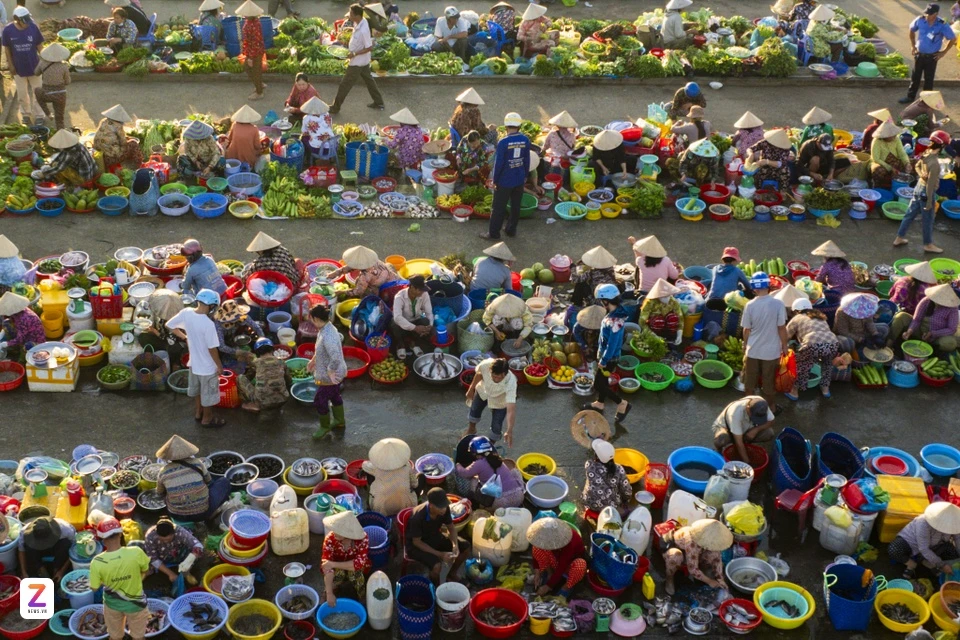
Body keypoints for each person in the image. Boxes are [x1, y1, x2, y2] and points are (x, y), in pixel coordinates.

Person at [166, 289, 224, 428]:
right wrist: (219, 366)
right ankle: (207, 419)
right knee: (208, 395)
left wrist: (185, 337)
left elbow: (169, 325)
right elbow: (212, 349)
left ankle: (198, 413)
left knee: (197, 391)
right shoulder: (208, 324)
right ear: (212, 306)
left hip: (194, 364)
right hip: (207, 368)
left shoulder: (187, 313)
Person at [89, 517, 151, 640]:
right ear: (120, 534)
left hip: (112, 605)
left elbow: (94, 588)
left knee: (115, 636)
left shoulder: (97, 562)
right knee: (139, 637)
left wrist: (105, 579)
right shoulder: (136, 552)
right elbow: (146, 571)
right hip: (136, 604)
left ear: (103, 540)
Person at [896, 129, 950, 253]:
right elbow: (930, 185)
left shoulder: (925, 153)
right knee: (928, 220)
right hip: (926, 192)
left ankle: (899, 237)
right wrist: (930, 201)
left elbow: (916, 166)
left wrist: (921, 175)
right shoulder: (935, 163)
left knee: (909, 215)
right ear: (942, 146)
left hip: (918, 188)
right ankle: (928, 244)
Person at [740, 272, 787, 415]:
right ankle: (771, 408)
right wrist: (784, 346)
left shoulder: (750, 305)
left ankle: (749, 408)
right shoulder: (778, 304)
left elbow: (746, 329)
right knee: (768, 384)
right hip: (771, 352)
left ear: (754, 288)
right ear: (768, 286)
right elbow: (781, 328)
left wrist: (744, 345)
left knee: (750, 383)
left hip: (753, 350)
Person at [584, 284, 632, 423]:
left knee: (598, 385)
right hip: (605, 355)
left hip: (609, 358)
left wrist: (604, 360)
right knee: (603, 381)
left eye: (601, 300)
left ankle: (622, 403)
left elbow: (612, 345)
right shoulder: (614, 314)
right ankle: (599, 403)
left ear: (606, 300)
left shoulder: (616, 321)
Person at [155, 435, 232, 520]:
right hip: (202, 513)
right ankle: (213, 513)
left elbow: (159, 493)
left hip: (176, 515)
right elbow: (209, 481)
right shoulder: (197, 463)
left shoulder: (163, 472)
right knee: (224, 482)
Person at [405, 488, 470, 583]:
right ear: (431, 505)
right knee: (437, 567)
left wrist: (455, 545)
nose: (443, 509)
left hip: (434, 536)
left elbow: (451, 528)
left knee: (466, 547)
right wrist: (440, 554)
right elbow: (417, 542)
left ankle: (452, 574)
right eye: (440, 507)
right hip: (416, 546)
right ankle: (436, 586)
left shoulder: (444, 509)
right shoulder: (418, 516)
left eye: (444, 506)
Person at [483, 112, 530, 240]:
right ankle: (511, 230)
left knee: (498, 208)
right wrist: (525, 175)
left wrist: (495, 180)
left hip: (504, 180)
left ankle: (494, 234)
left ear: (505, 127)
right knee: (515, 206)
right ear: (519, 127)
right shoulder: (525, 140)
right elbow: (527, 160)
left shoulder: (503, 142)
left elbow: (499, 164)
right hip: (519, 179)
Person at [330, 4, 384, 114]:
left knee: (345, 84)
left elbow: (369, 47)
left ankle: (336, 107)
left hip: (358, 62)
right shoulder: (359, 22)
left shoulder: (364, 29)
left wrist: (354, 53)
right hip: (363, 61)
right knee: (369, 81)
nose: (349, 15)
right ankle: (379, 102)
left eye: (351, 14)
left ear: (357, 16)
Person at [900, 4, 956, 105]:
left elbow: (952, 38)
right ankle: (910, 97)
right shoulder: (920, 20)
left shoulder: (942, 25)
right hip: (919, 54)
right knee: (915, 77)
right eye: (926, 13)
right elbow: (911, 30)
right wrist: (913, 45)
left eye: (930, 14)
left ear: (936, 13)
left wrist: (943, 52)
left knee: (929, 79)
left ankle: (926, 101)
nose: (927, 15)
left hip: (932, 57)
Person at [785, 298, 840, 399]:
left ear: (797, 310)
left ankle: (794, 392)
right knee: (827, 365)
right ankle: (825, 390)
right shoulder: (820, 317)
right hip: (833, 342)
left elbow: (786, 336)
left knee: (802, 366)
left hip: (812, 343)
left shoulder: (797, 318)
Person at [888, 502, 960, 578]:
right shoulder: (923, 522)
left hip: (934, 546)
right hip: (911, 543)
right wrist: (942, 564)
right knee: (894, 549)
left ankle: (926, 561)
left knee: (952, 552)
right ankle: (912, 564)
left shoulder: (956, 524)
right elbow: (923, 548)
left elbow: (958, 539)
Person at [307, 303, 347, 438]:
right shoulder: (326, 328)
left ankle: (325, 426)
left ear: (317, 319)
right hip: (335, 372)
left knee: (320, 400)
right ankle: (339, 420)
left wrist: (330, 371)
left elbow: (335, 357)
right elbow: (320, 350)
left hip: (331, 376)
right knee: (335, 395)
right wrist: (313, 360)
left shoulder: (328, 336)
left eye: (312, 319)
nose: (311, 322)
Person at [663, 519, 732, 595]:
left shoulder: (714, 541)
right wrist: (709, 581)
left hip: (696, 553)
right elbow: (692, 569)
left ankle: (702, 573)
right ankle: (669, 578)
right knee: (675, 556)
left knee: (714, 554)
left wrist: (720, 579)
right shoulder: (692, 541)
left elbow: (717, 559)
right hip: (681, 550)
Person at [456, 435, 524, 508]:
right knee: (512, 472)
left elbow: (465, 473)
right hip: (519, 496)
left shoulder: (479, 463)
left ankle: (480, 504)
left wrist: (458, 465)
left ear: (475, 453)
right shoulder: (498, 459)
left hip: (502, 503)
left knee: (473, 481)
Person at [527, 517, 587, 598]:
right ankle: (549, 573)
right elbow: (537, 551)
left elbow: (562, 567)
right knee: (536, 548)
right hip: (556, 560)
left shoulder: (568, 542)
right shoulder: (545, 540)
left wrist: (548, 586)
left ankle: (566, 587)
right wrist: (537, 572)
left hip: (569, 565)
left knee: (581, 565)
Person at [890, 283, 960, 353]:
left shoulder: (952, 309)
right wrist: (909, 331)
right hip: (920, 330)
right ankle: (889, 342)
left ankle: (935, 352)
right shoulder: (926, 301)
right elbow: (917, 319)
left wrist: (932, 333)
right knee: (901, 316)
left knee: (950, 343)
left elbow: (952, 329)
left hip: (937, 336)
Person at [3, 7, 44, 124]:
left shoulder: (33, 27)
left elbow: (40, 46)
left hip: (35, 67)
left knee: (38, 92)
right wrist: (10, 65)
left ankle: (40, 115)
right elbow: (7, 50)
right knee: (22, 93)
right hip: (18, 68)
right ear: (16, 19)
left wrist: (45, 61)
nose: (27, 24)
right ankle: (26, 114)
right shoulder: (8, 31)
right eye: (24, 21)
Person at [320, 511, 370, 607]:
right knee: (337, 574)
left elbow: (358, 564)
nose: (334, 532)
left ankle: (361, 594)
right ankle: (332, 589)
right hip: (338, 569)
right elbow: (327, 567)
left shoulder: (363, 539)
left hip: (354, 569)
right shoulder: (330, 539)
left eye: (338, 532)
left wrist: (333, 564)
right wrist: (329, 593)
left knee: (355, 574)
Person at [465, 357, 518, 446]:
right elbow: (479, 374)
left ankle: (490, 444)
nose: (496, 379)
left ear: (505, 374)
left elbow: (511, 410)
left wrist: (509, 430)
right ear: (490, 370)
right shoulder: (485, 365)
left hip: (500, 401)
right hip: (483, 391)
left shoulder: (511, 382)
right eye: (494, 376)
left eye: (499, 377)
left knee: (497, 425)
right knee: (474, 410)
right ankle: (471, 429)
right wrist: (471, 389)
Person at [362, 438, 417, 516]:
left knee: (369, 474)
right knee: (420, 477)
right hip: (405, 505)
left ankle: (370, 497)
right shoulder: (407, 466)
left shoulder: (376, 468)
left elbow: (364, 465)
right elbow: (415, 484)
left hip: (381, 508)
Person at [712, 396, 775, 462]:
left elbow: (772, 421)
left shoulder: (762, 404)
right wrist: (747, 463)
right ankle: (719, 452)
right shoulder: (735, 413)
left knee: (769, 433)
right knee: (721, 440)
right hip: (727, 429)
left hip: (746, 427)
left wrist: (756, 430)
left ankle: (746, 443)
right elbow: (739, 443)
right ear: (747, 408)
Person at [143, 517, 202, 584]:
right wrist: (170, 574)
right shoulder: (150, 538)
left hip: (178, 552)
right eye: (162, 540)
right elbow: (154, 559)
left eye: (168, 540)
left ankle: (186, 573)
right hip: (162, 556)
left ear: (173, 533)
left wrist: (189, 560)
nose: (166, 542)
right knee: (148, 563)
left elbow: (198, 546)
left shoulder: (180, 532)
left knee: (195, 555)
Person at [238, 337, 290, 411]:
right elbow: (289, 380)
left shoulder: (256, 362)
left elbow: (249, 377)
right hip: (283, 400)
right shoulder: (281, 362)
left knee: (240, 378)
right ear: (272, 350)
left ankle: (255, 405)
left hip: (263, 402)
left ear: (258, 352)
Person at [582, 439, 632, 514]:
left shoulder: (589, 465)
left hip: (590, 502)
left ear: (596, 456)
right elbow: (627, 491)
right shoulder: (619, 469)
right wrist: (626, 500)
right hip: (610, 507)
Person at [213, 298, 264, 372]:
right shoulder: (218, 325)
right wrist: (236, 352)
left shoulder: (242, 316)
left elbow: (256, 327)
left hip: (237, 339)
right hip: (225, 347)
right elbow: (221, 346)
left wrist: (262, 339)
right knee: (231, 365)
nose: (236, 320)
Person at [138, 289, 186, 366]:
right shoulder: (180, 313)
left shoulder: (171, 324)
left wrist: (154, 331)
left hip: (175, 345)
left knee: (143, 337)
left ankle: (169, 361)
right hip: (171, 338)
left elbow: (166, 339)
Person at [33, 129, 97, 186]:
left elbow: (59, 168)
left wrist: (44, 173)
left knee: (60, 169)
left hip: (84, 177)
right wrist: (50, 165)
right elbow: (61, 155)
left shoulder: (71, 153)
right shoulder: (75, 145)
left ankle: (72, 184)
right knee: (55, 163)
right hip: (92, 170)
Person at [18, 516, 75, 580]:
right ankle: (41, 571)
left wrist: (62, 571)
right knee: (28, 547)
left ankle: (56, 571)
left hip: (56, 548)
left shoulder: (66, 529)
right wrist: (24, 572)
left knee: (66, 543)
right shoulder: (24, 532)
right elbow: (21, 551)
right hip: (38, 550)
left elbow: (74, 550)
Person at [331, 245, 398, 299]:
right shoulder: (373, 260)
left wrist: (341, 292)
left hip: (387, 288)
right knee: (388, 265)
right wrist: (337, 272)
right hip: (390, 276)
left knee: (362, 288)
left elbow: (357, 291)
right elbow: (352, 266)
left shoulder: (364, 276)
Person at [391, 275, 433, 359]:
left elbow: (429, 312)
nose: (422, 292)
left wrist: (430, 325)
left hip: (416, 320)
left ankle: (413, 342)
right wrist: (415, 328)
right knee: (394, 322)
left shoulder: (424, 294)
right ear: (412, 288)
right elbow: (398, 317)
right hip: (403, 324)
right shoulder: (399, 297)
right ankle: (400, 344)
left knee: (426, 321)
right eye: (420, 290)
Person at [33, 43, 70, 131]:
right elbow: (68, 82)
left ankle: (48, 113)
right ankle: (61, 133)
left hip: (47, 94)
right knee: (59, 117)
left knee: (37, 91)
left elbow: (36, 73)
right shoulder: (64, 66)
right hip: (60, 95)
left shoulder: (42, 63)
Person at [93, 104, 142, 170]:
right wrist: (129, 140)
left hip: (101, 157)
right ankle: (137, 166)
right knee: (133, 143)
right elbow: (123, 143)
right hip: (111, 158)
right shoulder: (118, 126)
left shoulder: (104, 121)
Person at [0, 292, 45, 358]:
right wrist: (2, 333)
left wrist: (7, 344)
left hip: (35, 340)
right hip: (24, 332)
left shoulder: (25, 318)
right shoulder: (18, 311)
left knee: (26, 347)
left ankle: (22, 359)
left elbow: (20, 339)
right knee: (6, 323)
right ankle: (12, 345)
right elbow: (11, 320)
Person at [640, 279, 685, 344]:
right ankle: (658, 336)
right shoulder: (650, 303)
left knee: (673, 317)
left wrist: (679, 335)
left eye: (668, 296)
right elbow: (642, 322)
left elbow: (680, 318)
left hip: (668, 323)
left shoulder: (673, 301)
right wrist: (654, 336)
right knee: (658, 321)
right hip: (655, 324)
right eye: (664, 297)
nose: (667, 299)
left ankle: (671, 336)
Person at [237, 1, 266, 101]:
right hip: (258, 50)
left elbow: (253, 42)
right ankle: (260, 84)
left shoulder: (251, 25)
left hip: (254, 52)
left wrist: (250, 57)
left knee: (252, 70)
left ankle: (259, 92)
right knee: (256, 70)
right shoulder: (255, 21)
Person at [225, 104, 267, 172]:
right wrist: (260, 151)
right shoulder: (254, 129)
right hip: (248, 159)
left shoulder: (235, 125)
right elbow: (257, 146)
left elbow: (229, 139)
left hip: (232, 156)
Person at [870, 119, 910, 189]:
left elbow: (902, 153)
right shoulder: (877, 141)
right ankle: (878, 187)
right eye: (892, 135)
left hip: (895, 162)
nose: (894, 136)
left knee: (914, 162)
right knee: (878, 170)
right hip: (881, 164)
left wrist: (907, 163)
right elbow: (876, 159)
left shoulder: (896, 139)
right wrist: (890, 168)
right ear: (885, 135)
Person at [300, 97, 336, 165]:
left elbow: (304, 132)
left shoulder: (306, 118)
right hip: (332, 147)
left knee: (303, 138)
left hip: (318, 150)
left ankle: (308, 159)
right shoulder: (327, 114)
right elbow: (330, 126)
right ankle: (330, 159)